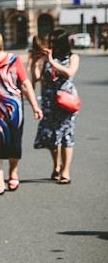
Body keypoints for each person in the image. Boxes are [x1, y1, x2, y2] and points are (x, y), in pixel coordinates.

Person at [0, 32, 42, 195]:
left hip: (14, 111)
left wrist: (35, 106)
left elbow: (25, 84)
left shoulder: (13, 60)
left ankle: (13, 173)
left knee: (14, 144)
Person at [33, 29, 80, 184]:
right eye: (50, 41)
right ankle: (56, 166)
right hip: (49, 102)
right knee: (52, 136)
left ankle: (66, 171)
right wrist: (36, 61)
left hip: (66, 102)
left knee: (67, 136)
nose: (52, 44)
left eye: (55, 41)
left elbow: (69, 73)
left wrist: (51, 61)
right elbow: (36, 77)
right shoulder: (47, 58)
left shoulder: (73, 57)